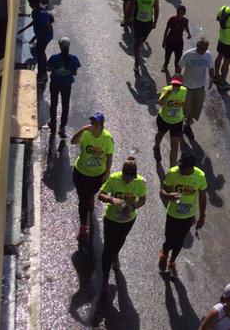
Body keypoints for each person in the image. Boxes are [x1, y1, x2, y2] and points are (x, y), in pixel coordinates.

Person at [97, 155, 147, 294]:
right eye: (126, 178)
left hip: (128, 220)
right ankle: (105, 279)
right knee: (107, 248)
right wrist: (111, 199)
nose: (129, 180)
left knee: (120, 241)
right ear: (122, 173)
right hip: (111, 219)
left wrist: (133, 206)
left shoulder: (139, 182)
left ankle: (116, 254)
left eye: (131, 178)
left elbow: (143, 199)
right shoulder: (114, 179)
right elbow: (100, 195)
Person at [159, 148, 207, 276]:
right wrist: (168, 196)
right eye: (181, 165)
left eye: (184, 167)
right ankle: (164, 252)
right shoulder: (173, 173)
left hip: (188, 216)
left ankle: (172, 261)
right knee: (169, 239)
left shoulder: (200, 176)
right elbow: (162, 191)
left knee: (180, 240)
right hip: (173, 214)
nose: (181, 168)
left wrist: (202, 217)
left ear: (191, 167)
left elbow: (202, 197)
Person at [71, 111, 114, 241]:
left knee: (90, 194)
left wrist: (107, 173)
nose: (92, 125)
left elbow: (109, 156)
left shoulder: (107, 138)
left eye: (96, 123)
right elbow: (73, 141)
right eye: (92, 123)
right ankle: (83, 226)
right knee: (82, 200)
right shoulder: (86, 134)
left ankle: (90, 197)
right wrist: (82, 129)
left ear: (101, 125)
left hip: (96, 175)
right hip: (81, 172)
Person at [180, 37, 214, 140]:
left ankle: (187, 125)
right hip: (187, 86)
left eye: (204, 48)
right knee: (184, 108)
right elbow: (179, 67)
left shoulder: (208, 55)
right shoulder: (188, 54)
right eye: (200, 48)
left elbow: (211, 68)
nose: (202, 50)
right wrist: (176, 81)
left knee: (195, 108)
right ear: (197, 46)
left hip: (200, 87)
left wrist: (211, 79)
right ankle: (178, 125)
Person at [47, 37, 80, 137]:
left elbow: (48, 68)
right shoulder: (74, 59)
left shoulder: (54, 58)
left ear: (59, 46)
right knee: (65, 105)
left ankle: (53, 122)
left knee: (54, 103)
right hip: (67, 84)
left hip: (55, 83)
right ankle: (62, 127)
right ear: (69, 46)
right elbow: (75, 73)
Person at [19, 0, 54, 83]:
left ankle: (41, 76)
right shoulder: (36, 11)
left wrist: (35, 37)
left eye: (30, 3)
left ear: (35, 3)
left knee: (40, 54)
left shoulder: (41, 14)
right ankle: (45, 69)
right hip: (43, 36)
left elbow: (46, 28)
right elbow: (35, 21)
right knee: (41, 52)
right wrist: (24, 28)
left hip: (45, 37)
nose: (29, 5)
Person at [154, 75, 188, 166]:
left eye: (178, 85)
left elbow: (184, 103)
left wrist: (186, 115)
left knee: (175, 147)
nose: (175, 87)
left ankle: (171, 168)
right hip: (164, 119)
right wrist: (168, 94)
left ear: (181, 85)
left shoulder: (184, 91)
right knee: (160, 134)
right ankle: (156, 146)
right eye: (174, 84)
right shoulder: (166, 89)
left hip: (177, 122)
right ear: (171, 83)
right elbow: (160, 103)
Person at [128, 0, 159, 73]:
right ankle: (136, 62)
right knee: (137, 43)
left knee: (143, 40)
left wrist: (155, 22)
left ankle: (138, 50)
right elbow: (131, 7)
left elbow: (156, 9)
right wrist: (130, 18)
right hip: (138, 22)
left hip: (148, 23)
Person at [162, 5, 191, 72]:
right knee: (167, 55)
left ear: (184, 13)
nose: (179, 14)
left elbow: (186, 27)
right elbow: (167, 30)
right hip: (170, 41)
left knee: (178, 58)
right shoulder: (172, 19)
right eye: (178, 12)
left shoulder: (185, 21)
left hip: (179, 43)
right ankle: (165, 65)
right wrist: (164, 41)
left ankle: (176, 71)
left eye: (181, 13)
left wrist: (189, 33)